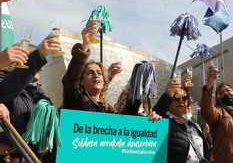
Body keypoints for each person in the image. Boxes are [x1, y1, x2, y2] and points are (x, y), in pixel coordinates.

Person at [62, 22, 160, 120]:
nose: (96, 75)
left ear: (104, 80)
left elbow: (122, 121)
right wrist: (84, 47)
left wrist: (148, 120)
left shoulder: (106, 108)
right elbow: (70, 81)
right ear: (81, 82)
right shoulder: (76, 99)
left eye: (99, 73)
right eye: (90, 73)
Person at [0, 33, 62, 163]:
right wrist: (39, 55)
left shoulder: (40, 93)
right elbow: (11, 86)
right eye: (37, 62)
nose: (42, 69)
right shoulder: (5, 82)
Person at [153, 78, 210, 163]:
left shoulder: (193, 125)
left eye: (184, 98)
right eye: (176, 98)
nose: (181, 101)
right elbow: (156, 114)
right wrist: (167, 95)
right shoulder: (164, 121)